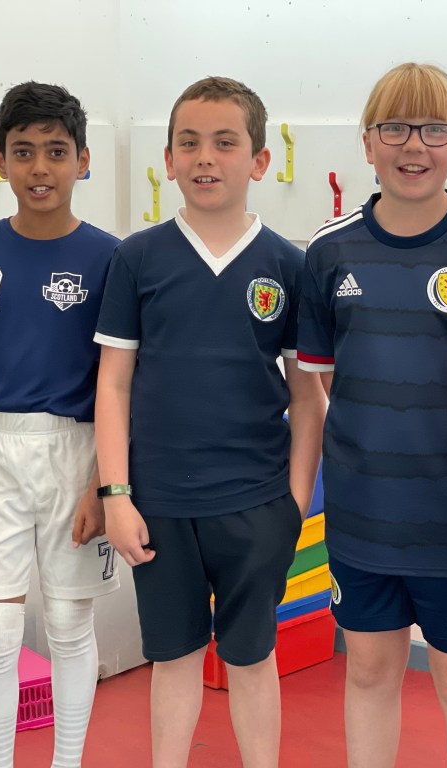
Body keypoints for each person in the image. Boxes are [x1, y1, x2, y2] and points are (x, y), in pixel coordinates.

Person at [297, 63, 447, 768]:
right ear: (368, 142)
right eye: (394, 128)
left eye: (434, 129)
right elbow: (322, 378)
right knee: (368, 672)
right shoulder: (329, 250)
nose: (413, 146)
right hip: (361, 518)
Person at [94, 76, 326, 768]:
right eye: (189, 143)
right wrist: (115, 495)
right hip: (160, 505)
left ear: (259, 160)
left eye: (226, 143)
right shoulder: (137, 258)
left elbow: (307, 397)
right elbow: (113, 384)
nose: (205, 157)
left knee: (253, 658)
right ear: (167, 160)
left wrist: (293, 504)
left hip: (256, 503)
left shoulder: (289, 265)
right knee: (174, 658)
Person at [0, 82, 120, 768]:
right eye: (23, 151)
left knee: (68, 622)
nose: (40, 167)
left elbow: (122, 382)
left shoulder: (112, 258)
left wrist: (103, 483)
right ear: (0, 160)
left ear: (83, 160)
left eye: (56, 151)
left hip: (79, 449)